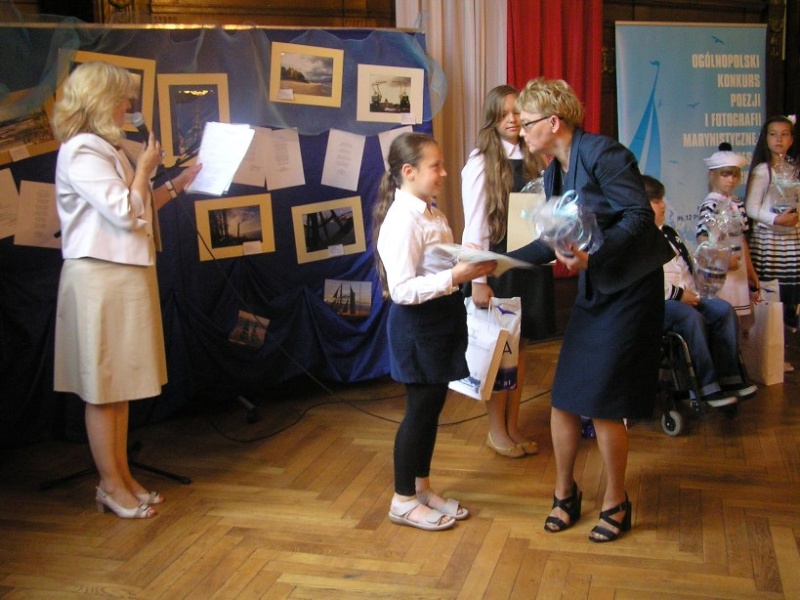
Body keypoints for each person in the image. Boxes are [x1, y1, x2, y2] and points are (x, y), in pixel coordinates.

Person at [508, 77, 673, 542]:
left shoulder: (604, 154)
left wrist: (592, 256)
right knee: (564, 396)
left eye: (527, 123)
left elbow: (639, 217)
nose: (521, 131)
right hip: (598, 287)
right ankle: (565, 493)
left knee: (603, 402)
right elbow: (554, 239)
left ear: (553, 121)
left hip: (630, 288)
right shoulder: (555, 172)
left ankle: (616, 501)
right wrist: (497, 260)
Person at [52, 61, 202, 519]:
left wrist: (177, 185)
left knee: (117, 386)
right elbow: (124, 210)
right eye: (121, 96)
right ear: (100, 100)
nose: (128, 105)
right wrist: (145, 167)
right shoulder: (82, 150)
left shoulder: (107, 147)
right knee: (103, 387)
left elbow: (139, 208)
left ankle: (122, 478)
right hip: (100, 278)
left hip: (121, 276)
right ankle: (111, 486)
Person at [374, 131, 496, 531]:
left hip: (439, 322)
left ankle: (421, 489)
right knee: (419, 413)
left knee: (431, 411)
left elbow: (436, 265)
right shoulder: (401, 220)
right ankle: (402, 500)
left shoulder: (430, 212)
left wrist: (469, 264)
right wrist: (457, 275)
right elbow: (402, 290)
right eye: (436, 166)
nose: (444, 173)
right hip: (417, 327)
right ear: (409, 172)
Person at [461, 84, 545, 458]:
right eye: (504, 113)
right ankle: (496, 431)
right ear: (492, 118)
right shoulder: (481, 162)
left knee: (520, 351)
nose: (512, 119)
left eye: (517, 112)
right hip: (497, 269)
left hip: (527, 265)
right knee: (499, 353)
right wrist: (478, 279)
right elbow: (474, 227)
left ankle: (512, 426)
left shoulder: (535, 156)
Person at [644, 175, 757, 406]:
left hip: (689, 295)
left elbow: (687, 268)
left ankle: (730, 378)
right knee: (690, 317)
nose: (663, 205)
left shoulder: (669, 233)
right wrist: (679, 296)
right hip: (658, 304)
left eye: (662, 200)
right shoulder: (637, 239)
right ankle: (707, 387)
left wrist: (703, 284)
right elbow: (645, 283)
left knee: (723, 310)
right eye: (656, 201)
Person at [745, 115, 800, 346]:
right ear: (765, 138)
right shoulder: (763, 170)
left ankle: (786, 346)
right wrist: (776, 219)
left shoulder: (793, 169)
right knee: (772, 297)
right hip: (770, 243)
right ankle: (771, 348)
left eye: (784, 134)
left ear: (791, 139)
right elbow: (751, 208)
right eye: (773, 134)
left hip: (792, 242)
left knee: (791, 298)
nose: (779, 139)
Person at [696, 143, 759, 330]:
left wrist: (751, 272)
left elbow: (742, 239)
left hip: (738, 269)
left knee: (739, 321)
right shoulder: (710, 203)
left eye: (734, 175)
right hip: (720, 272)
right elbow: (702, 238)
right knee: (723, 317)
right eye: (725, 175)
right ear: (713, 175)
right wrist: (723, 260)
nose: (730, 180)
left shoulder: (737, 202)